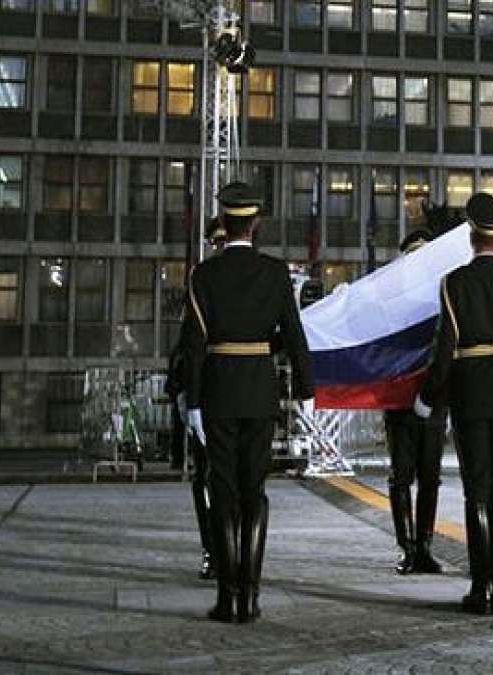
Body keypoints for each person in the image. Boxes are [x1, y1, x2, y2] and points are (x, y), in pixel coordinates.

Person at [180, 181, 315, 623]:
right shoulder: (275, 274)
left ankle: (227, 597)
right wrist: (306, 391)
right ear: (256, 224)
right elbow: (294, 336)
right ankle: (250, 597)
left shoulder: (205, 274)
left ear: (223, 221)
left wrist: (194, 401)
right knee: (254, 492)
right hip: (260, 391)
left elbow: (195, 345)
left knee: (224, 492)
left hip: (218, 393)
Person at [414, 193, 493, 616]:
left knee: (477, 492)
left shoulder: (454, 284)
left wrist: (427, 396)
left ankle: (481, 587)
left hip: (469, 394)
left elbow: (443, 348)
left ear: (471, 237)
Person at [164, 218, 230, 580]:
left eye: (223, 243)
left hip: (232, 395)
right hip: (210, 396)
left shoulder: (241, 280)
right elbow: (190, 344)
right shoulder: (202, 282)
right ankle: (213, 550)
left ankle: (230, 550)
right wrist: (189, 398)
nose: (219, 250)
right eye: (215, 244)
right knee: (207, 479)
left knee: (235, 481)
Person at [385, 229, 447, 575]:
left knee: (431, 477)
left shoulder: (443, 296)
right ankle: (406, 547)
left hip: (434, 401)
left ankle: (424, 546)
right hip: (399, 403)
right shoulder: (392, 300)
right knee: (401, 476)